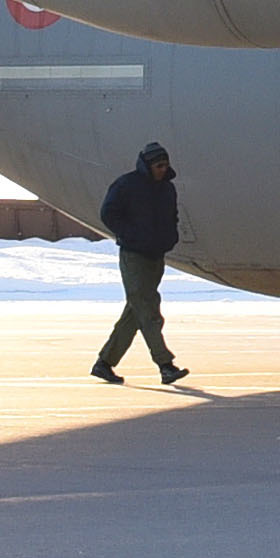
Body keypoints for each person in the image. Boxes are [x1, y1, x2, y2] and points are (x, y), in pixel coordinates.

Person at [93, 142, 187, 386]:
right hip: (134, 256)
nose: (162, 170)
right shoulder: (127, 185)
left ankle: (104, 363)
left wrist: (170, 237)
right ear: (147, 166)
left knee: (136, 311)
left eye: (165, 165)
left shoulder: (167, 189)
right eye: (158, 166)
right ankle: (165, 365)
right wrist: (130, 236)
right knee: (148, 309)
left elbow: (172, 216)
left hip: (156, 255)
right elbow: (108, 214)